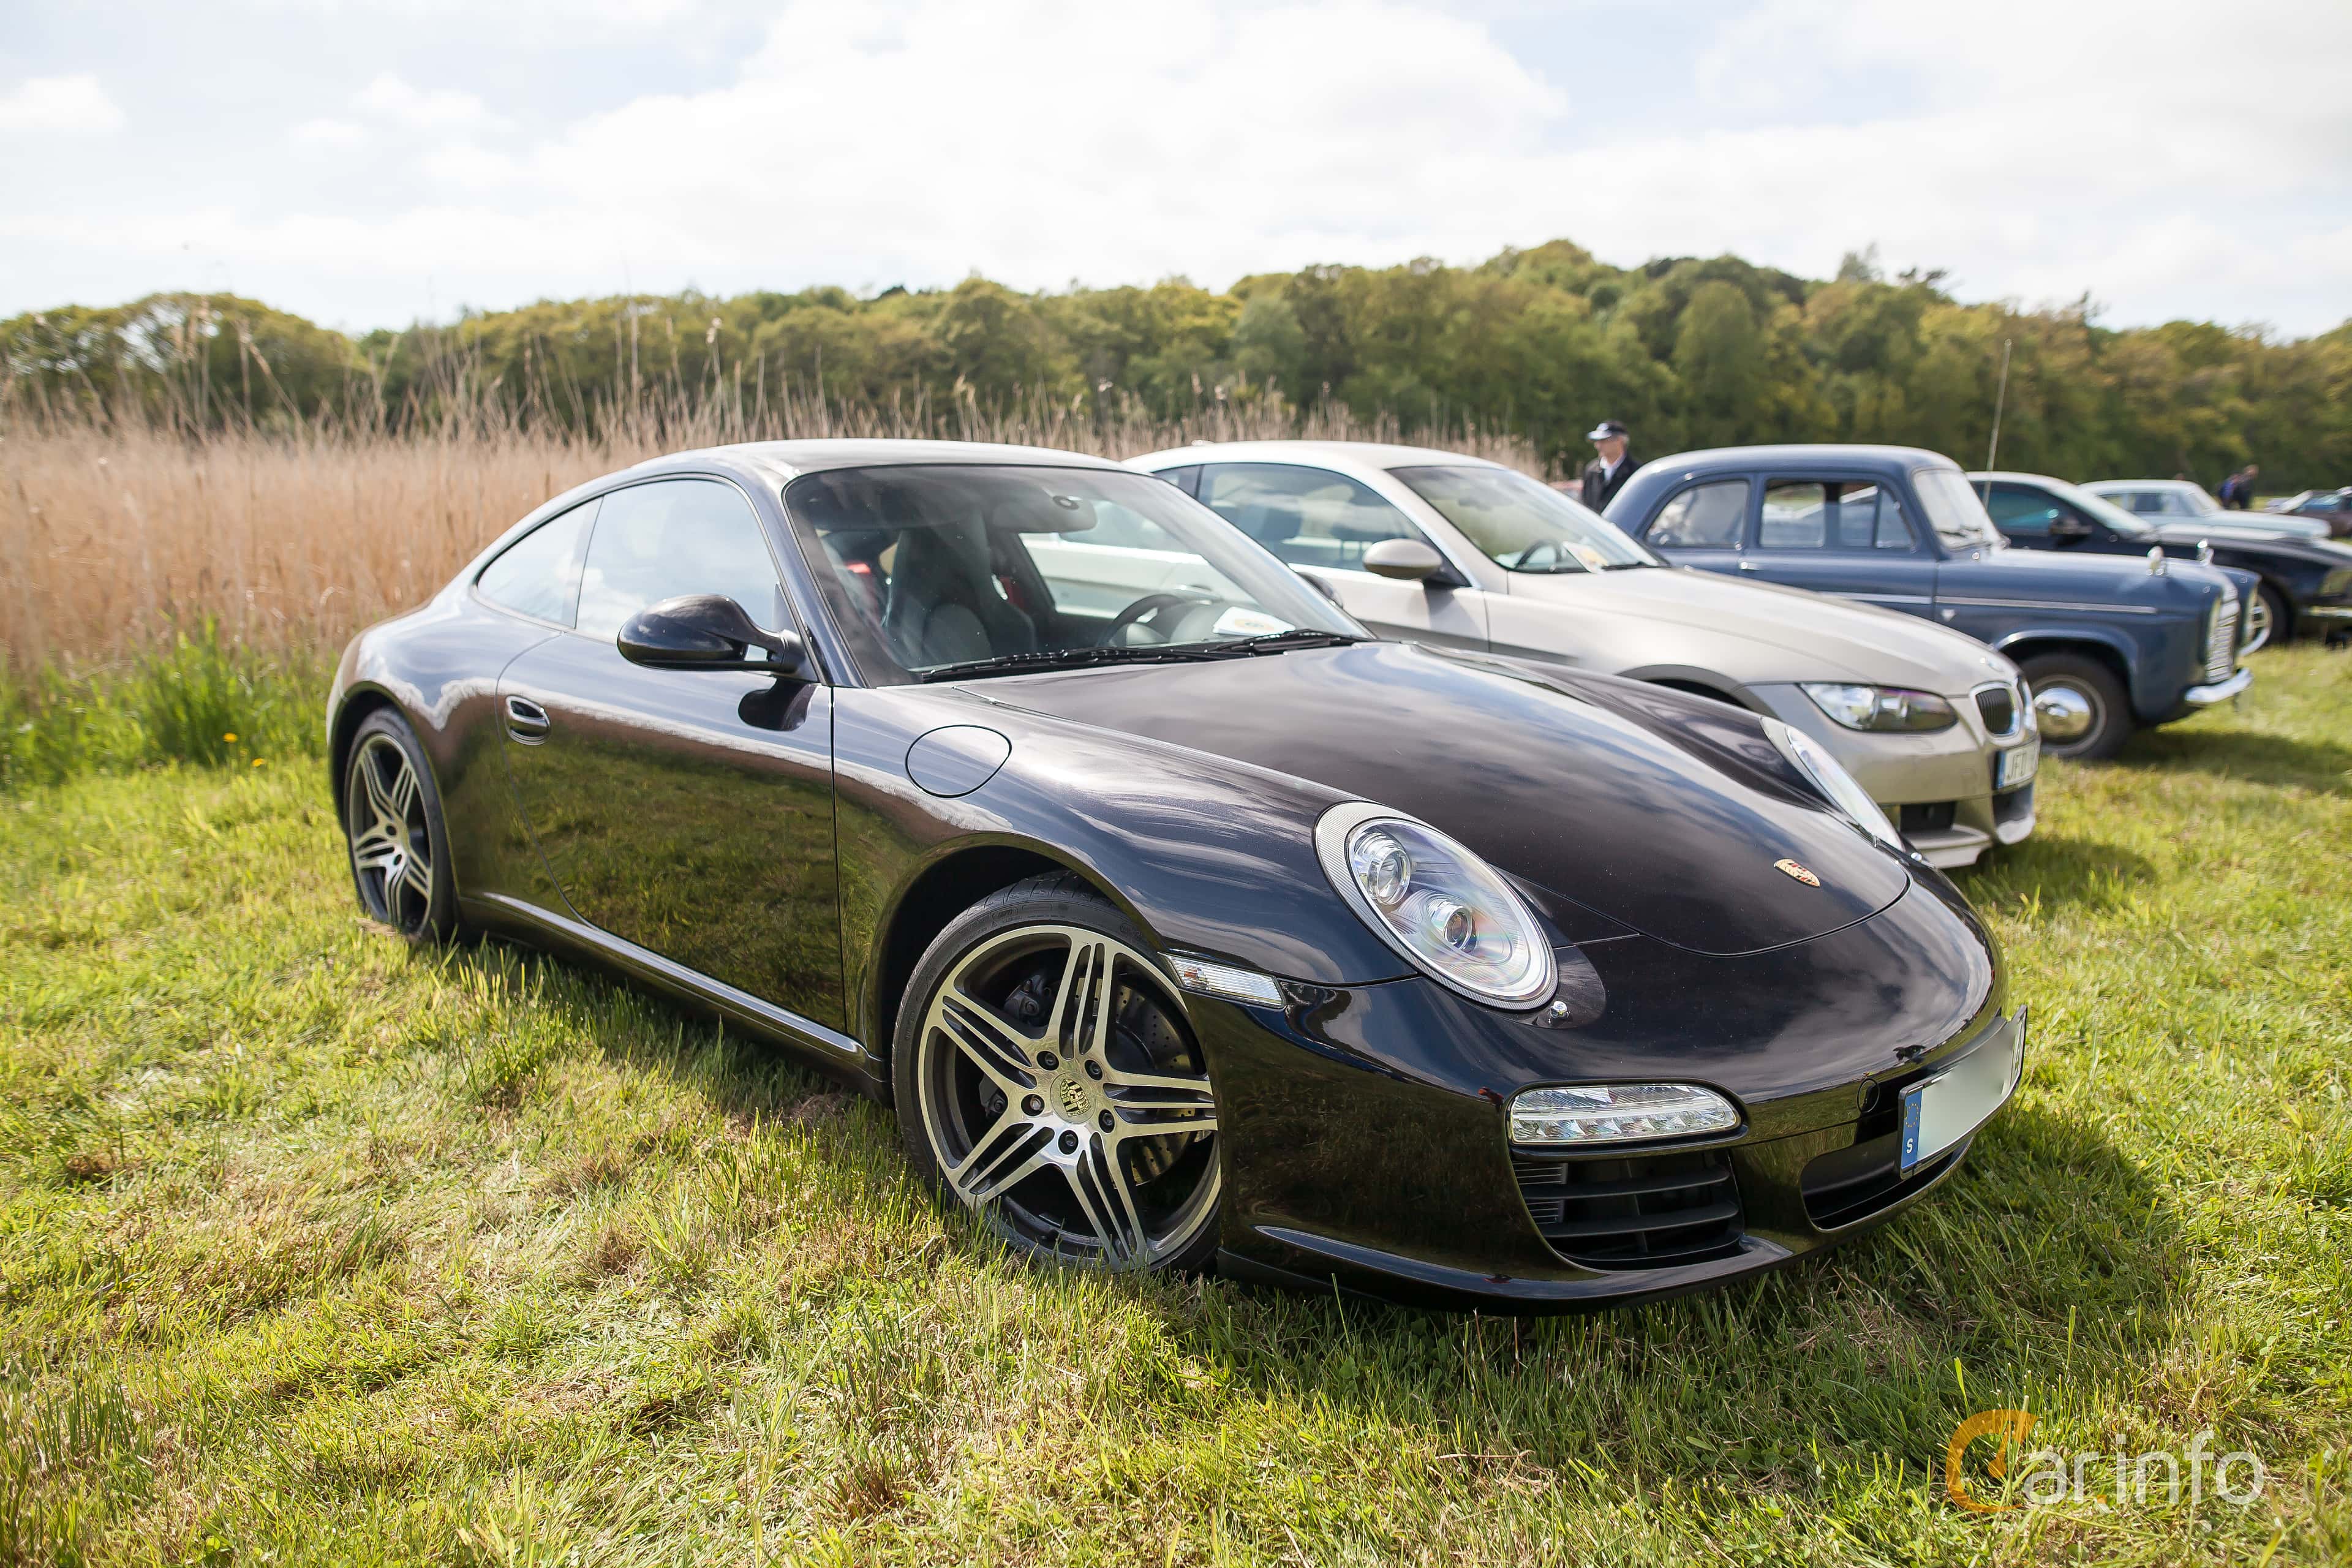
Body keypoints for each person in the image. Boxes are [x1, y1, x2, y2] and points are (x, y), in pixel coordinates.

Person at [1580, 420, 1636, 513]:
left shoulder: (1635, 471)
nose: (1598, 446)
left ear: (1620, 441)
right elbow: (1585, 503)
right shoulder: (1591, 469)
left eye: (1603, 441)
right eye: (1597, 441)